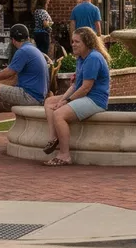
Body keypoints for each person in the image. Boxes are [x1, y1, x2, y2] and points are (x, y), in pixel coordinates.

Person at [0, 23, 51, 155]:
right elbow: (13, 80)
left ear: (12, 40)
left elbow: (9, 72)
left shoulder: (23, 51)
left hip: (29, 96)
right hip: (34, 96)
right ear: (27, 37)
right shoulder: (32, 49)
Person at [40, 27, 111, 166]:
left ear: (87, 43)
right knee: (49, 102)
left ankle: (65, 155)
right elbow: (74, 86)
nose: (73, 44)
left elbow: (85, 88)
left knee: (59, 115)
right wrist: (61, 100)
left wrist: (65, 102)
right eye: (72, 41)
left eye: (77, 42)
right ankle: (53, 138)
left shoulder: (93, 58)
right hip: (84, 96)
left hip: (95, 100)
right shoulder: (81, 59)